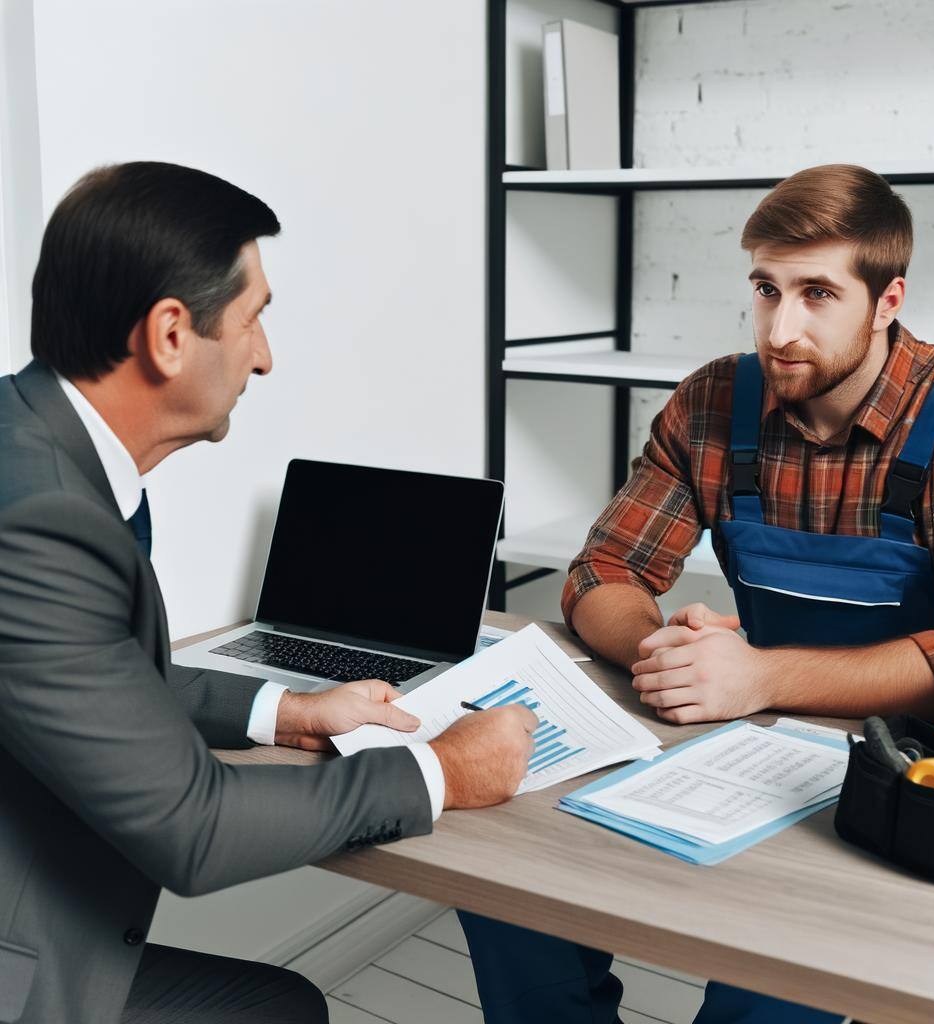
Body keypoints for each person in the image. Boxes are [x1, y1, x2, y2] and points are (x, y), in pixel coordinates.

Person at [459, 163, 934, 1024]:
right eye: (766, 289)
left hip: (896, 771)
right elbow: (602, 573)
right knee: (503, 879)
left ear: (888, 300)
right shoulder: (715, 400)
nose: (780, 328)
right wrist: (668, 655)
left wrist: (760, 676)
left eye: (816, 295)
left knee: (763, 997)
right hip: (737, 734)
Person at [0, 161, 537, 1024]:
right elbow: (194, 829)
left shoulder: (37, 447)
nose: (265, 356)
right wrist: (444, 769)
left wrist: (289, 712)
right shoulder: (37, 519)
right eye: (253, 319)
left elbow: (95, 682)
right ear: (171, 334)